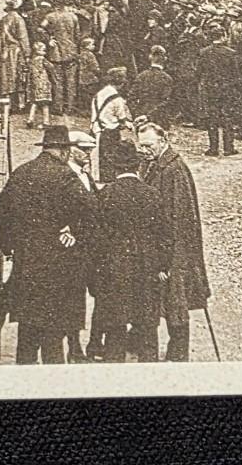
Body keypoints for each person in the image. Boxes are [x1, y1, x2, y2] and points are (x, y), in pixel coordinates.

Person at [0, 125, 91, 364]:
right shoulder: (66, 176)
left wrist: (9, 247)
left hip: (26, 267)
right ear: (65, 151)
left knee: (27, 333)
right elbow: (91, 213)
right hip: (58, 270)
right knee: (53, 338)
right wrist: (74, 235)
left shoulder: (21, 173)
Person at [91, 141, 170, 363]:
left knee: (115, 327)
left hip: (114, 270)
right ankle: (149, 371)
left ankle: (114, 370)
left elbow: (97, 239)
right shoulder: (152, 194)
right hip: (147, 269)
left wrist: (97, 272)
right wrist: (163, 266)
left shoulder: (106, 195)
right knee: (147, 327)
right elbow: (165, 235)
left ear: (115, 168)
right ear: (138, 167)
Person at [137, 123, 210, 361]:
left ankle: (178, 353)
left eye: (148, 145)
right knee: (158, 299)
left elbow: (181, 215)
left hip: (176, 248)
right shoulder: (151, 164)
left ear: (163, 141)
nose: (144, 150)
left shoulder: (175, 169)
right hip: (160, 244)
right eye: (141, 146)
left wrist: (171, 256)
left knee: (176, 302)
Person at [66, 130, 101, 361]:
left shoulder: (85, 175)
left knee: (101, 293)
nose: (88, 154)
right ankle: (74, 346)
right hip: (74, 247)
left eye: (90, 150)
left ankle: (96, 342)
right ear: (71, 149)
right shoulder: (66, 175)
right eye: (84, 150)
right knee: (74, 298)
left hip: (91, 247)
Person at [196, 22, 241, 157]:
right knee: (227, 117)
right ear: (223, 36)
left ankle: (213, 148)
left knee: (212, 118)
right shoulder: (231, 53)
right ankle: (228, 147)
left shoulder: (204, 52)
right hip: (227, 89)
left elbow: (199, 71)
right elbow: (236, 73)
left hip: (210, 89)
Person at [90, 67, 133, 183]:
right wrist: (128, 125)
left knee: (96, 156)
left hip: (95, 128)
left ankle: (96, 178)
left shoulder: (98, 94)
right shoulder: (117, 98)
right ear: (122, 83)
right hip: (109, 131)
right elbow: (122, 118)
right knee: (110, 158)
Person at [42, 0, 81, 116]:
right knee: (70, 82)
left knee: (57, 81)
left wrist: (48, 39)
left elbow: (40, 29)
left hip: (56, 53)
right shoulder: (73, 17)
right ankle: (70, 107)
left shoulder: (50, 16)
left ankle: (58, 107)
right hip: (71, 52)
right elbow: (77, 35)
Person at [130, 45, 173, 133]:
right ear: (165, 59)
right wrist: (150, 116)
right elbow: (166, 102)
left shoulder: (141, 76)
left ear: (150, 57)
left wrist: (137, 114)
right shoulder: (167, 78)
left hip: (141, 117)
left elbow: (131, 98)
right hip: (159, 119)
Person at [0, 1, 30, 111]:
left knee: (6, 77)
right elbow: (23, 38)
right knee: (20, 76)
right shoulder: (19, 19)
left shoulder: (3, 20)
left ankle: (8, 104)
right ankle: (21, 104)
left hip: (5, 51)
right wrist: (27, 54)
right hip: (16, 51)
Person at [26, 41, 55, 128]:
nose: (45, 52)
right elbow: (51, 67)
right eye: (43, 50)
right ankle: (46, 122)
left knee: (34, 102)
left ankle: (30, 119)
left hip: (35, 84)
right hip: (43, 83)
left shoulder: (32, 60)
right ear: (37, 51)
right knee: (45, 103)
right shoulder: (42, 59)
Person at [75, 36, 101, 115]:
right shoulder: (90, 55)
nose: (94, 46)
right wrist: (98, 71)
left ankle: (83, 110)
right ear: (87, 46)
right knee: (91, 95)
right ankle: (91, 111)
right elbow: (94, 66)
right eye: (92, 44)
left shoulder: (81, 54)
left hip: (82, 78)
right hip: (90, 78)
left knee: (84, 95)